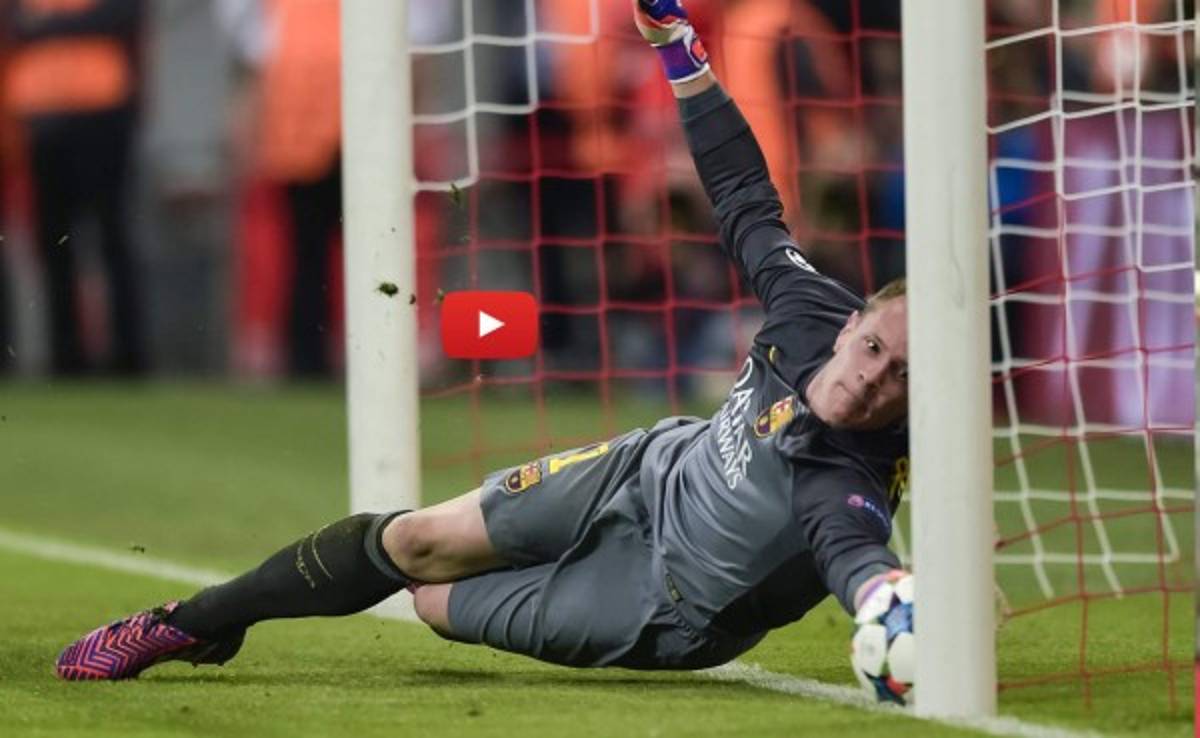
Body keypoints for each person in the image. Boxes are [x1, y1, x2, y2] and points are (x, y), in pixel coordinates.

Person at [56, 0, 913, 688]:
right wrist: (678, 52)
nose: (874, 381)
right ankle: (193, 624)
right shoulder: (810, 308)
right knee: (415, 543)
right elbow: (745, 198)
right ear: (851, 324)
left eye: (903, 378)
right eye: (875, 349)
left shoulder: (843, 476)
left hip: (667, 600)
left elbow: (855, 553)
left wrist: (885, 602)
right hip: (650, 469)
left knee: (432, 603)